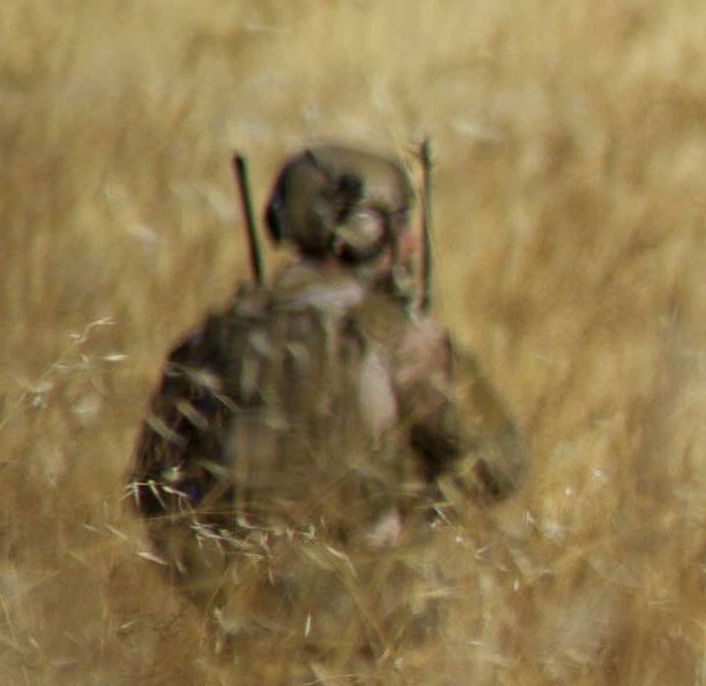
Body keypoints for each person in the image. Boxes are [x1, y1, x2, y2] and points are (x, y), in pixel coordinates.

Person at [131, 142, 525, 616]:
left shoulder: (210, 339)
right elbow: (500, 469)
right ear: (366, 230)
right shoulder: (397, 338)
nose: (412, 243)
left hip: (232, 617)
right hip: (367, 623)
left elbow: (150, 491)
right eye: (400, 224)